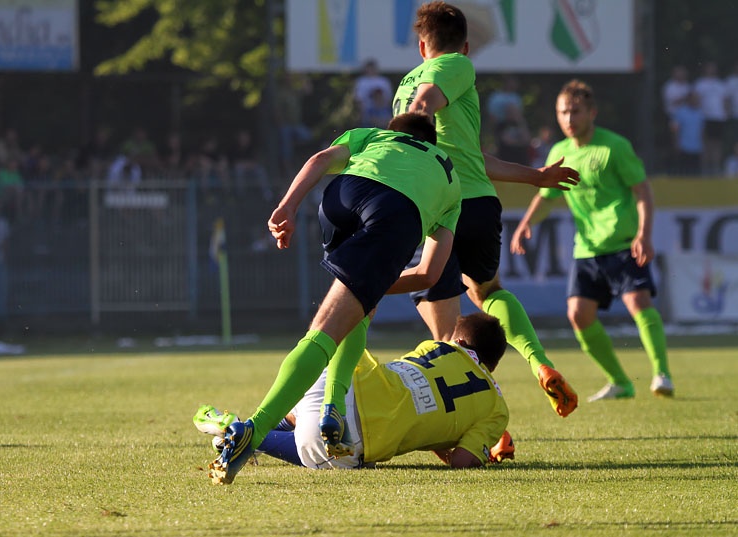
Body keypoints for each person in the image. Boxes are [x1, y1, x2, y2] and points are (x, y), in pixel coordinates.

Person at [209, 112, 462, 485]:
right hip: (395, 213)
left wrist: (288, 206)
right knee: (329, 328)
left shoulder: (373, 137)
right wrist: (367, 286)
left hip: (341, 196)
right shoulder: (449, 177)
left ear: (395, 132)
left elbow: (318, 161)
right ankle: (255, 430)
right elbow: (429, 274)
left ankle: (332, 411)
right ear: (432, 143)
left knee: (361, 310)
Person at [389, 1, 580, 418]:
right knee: (487, 291)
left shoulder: (414, 81)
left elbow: (423, 106)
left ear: (423, 47)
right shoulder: (459, 67)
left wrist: (535, 176)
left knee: (444, 335)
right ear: (467, 45)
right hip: (477, 201)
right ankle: (539, 363)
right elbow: (474, 157)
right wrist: (535, 176)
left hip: (440, 204)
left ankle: (485, 418)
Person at [511, 79, 674, 402]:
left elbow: (642, 192)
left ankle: (662, 374)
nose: (569, 119)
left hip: (623, 243)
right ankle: (619, 382)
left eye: (575, 111)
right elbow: (547, 196)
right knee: (578, 315)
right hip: (587, 250)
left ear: (592, 113)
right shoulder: (559, 152)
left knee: (638, 303)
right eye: (563, 112)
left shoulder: (614, 146)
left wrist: (644, 234)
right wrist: (526, 223)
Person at [199, 313, 513, 472]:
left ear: (458, 341)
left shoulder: (437, 346)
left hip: (338, 370)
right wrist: (481, 453)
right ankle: (241, 431)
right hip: (356, 431)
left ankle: (252, 425)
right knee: (340, 458)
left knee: (310, 413)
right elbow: (461, 461)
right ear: (494, 365)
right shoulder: (496, 408)